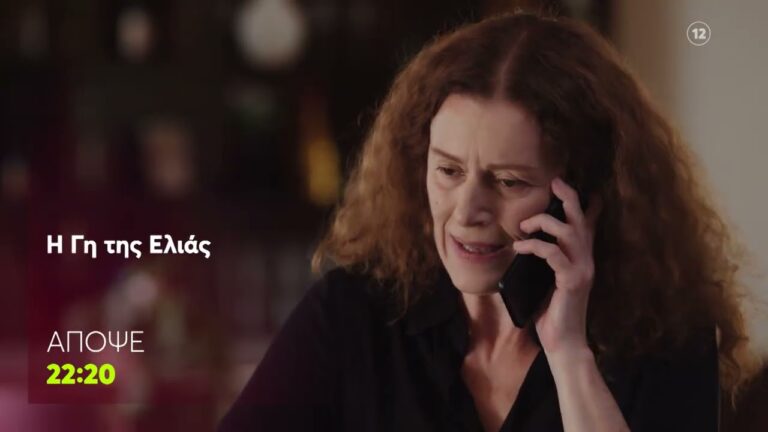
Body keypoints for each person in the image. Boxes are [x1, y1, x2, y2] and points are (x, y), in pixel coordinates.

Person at [219, 10, 761, 432]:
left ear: (585, 196)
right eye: (448, 171)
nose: (467, 211)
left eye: (508, 182)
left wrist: (569, 355)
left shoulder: (669, 343)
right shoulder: (350, 315)